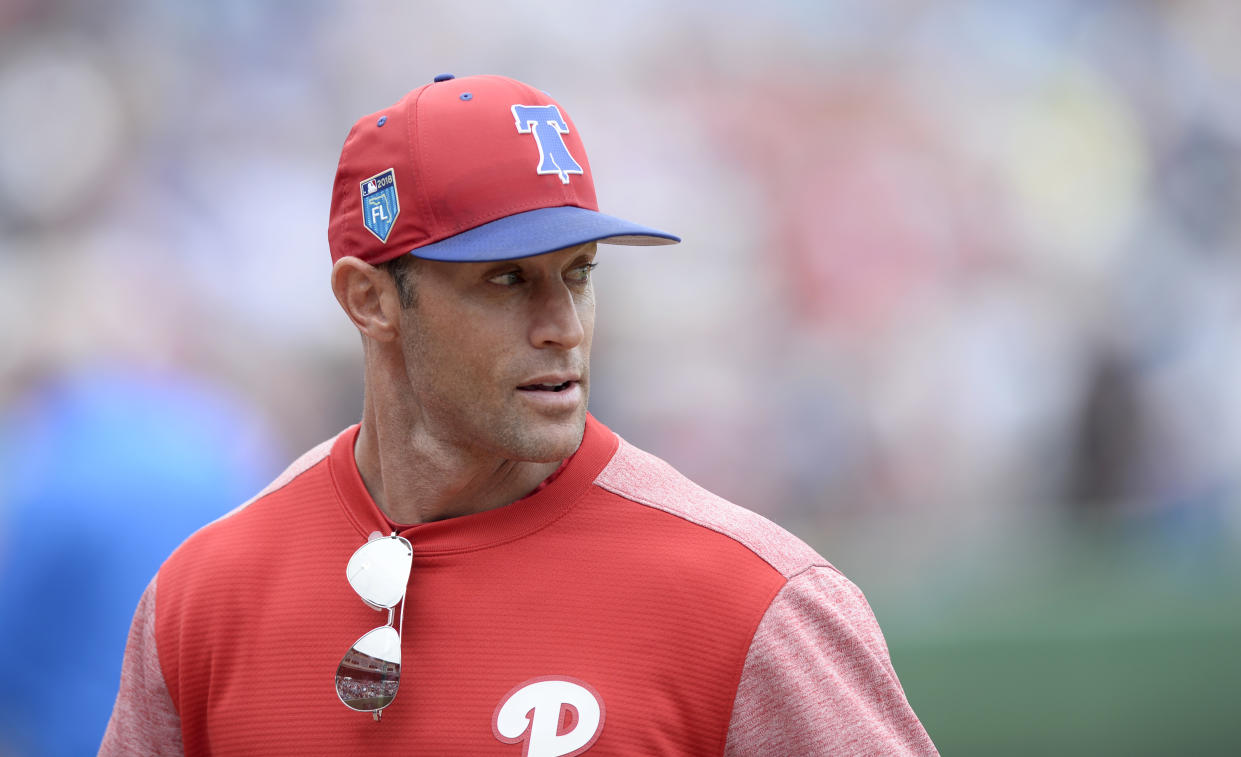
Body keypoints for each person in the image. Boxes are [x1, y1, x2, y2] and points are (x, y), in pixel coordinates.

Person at [100, 73, 937, 756]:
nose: (562, 326)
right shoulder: (204, 595)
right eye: (506, 279)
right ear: (370, 299)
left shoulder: (751, 599)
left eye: (577, 273)